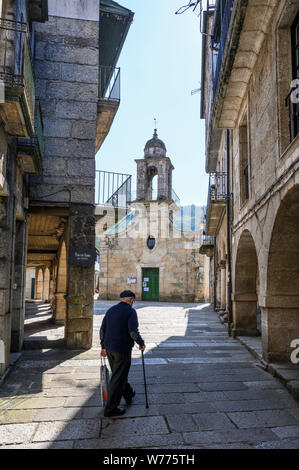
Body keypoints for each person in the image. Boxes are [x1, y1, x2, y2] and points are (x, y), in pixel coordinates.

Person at [100, 290, 146, 417]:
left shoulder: (110, 310)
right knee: (118, 377)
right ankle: (110, 408)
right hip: (122, 350)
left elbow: (102, 330)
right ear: (131, 300)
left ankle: (129, 394)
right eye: (133, 301)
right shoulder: (131, 311)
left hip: (109, 349)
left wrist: (103, 346)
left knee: (119, 374)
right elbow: (133, 331)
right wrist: (141, 343)